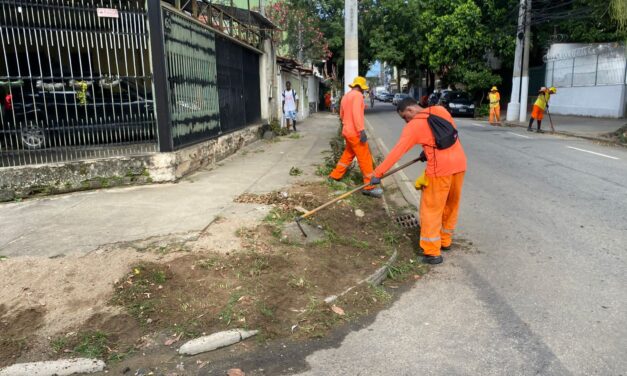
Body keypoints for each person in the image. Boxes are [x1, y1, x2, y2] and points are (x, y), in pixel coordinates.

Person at [369, 98, 467, 264]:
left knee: (431, 210)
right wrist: (427, 152)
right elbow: (449, 136)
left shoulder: (413, 126)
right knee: (451, 204)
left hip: (439, 171)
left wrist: (378, 173)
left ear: (409, 111)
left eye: (404, 117)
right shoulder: (440, 110)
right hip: (459, 164)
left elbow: (397, 152)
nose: (405, 121)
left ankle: (432, 252)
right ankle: (445, 241)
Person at [329, 76, 383, 198]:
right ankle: (369, 187)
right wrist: (361, 131)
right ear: (361, 88)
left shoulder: (346, 96)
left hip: (347, 130)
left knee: (348, 155)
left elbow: (342, 115)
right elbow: (356, 114)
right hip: (355, 133)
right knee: (365, 158)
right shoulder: (358, 96)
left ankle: (335, 175)